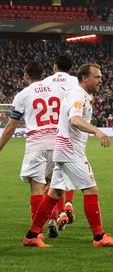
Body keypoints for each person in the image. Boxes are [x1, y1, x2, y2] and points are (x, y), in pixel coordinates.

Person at [22, 63, 113, 248]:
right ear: (85, 78)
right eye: (97, 76)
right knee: (91, 190)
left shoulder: (81, 95)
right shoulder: (78, 95)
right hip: (70, 151)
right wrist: (97, 132)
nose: (100, 80)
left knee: (54, 193)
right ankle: (99, 237)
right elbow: (75, 119)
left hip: (65, 149)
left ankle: (32, 235)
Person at [0, 62, 67, 238]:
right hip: (58, 143)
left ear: (25, 75)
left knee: (36, 187)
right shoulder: (58, 90)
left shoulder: (23, 95)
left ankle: (37, 232)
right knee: (51, 185)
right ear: (43, 73)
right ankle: (52, 219)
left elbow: (12, 125)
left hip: (37, 144)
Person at [41, 55, 79, 226]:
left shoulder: (45, 82)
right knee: (68, 173)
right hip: (70, 134)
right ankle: (68, 205)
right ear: (70, 68)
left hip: (49, 133)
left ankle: (56, 214)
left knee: (50, 180)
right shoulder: (76, 81)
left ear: (55, 66)